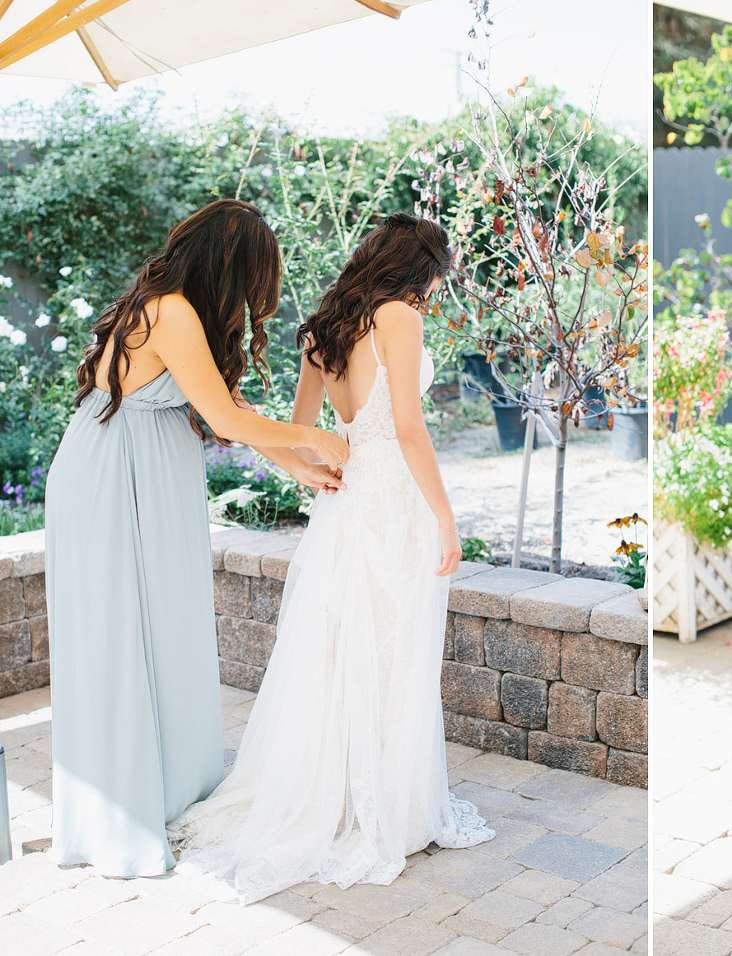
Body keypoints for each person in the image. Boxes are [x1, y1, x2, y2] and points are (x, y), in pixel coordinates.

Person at [169, 213, 494, 903]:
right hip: (391, 500)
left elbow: (301, 431)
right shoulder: (399, 317)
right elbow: (408, 428)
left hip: (343, 499)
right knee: (392, 648)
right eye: (439, 273)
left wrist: (312, 473)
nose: (438, 287)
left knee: (340, 645)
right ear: (422, 268)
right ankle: (379, 809)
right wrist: (445, 516)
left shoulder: (324, 330)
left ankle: (340, 795)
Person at [45, 199, 348, 877]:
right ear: (230, 265)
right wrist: (314, 435)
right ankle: (120, 810)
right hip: (114, 477)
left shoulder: (177, 309)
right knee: (122, 636)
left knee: (164, 631)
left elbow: (229, 412)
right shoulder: (173, 310)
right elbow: (223, 417)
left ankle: (167, 790)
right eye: (253, 279)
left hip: (143, 472)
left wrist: (299, 468)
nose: (253, 298)